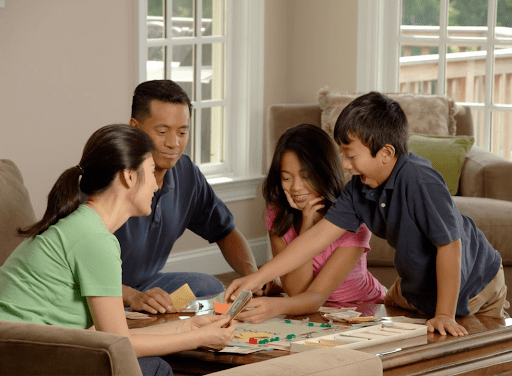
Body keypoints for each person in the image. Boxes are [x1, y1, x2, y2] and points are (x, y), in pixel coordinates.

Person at [225, 92, 509, 337]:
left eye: (351, 155)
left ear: (385, 153)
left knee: (467, 350)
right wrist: (256, 278)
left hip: (473, 282)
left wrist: (445, 314)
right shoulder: (358, 190)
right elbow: (313, 241)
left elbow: (450, 245)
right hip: (417, 287)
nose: (345, 165)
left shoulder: (420, 180)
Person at [0, 124, 236, 376]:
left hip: (25, 351)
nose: (157, 186)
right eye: (152, 171)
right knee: (155, 368)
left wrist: (191, 327)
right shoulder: (94, 239)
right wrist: (199, 338)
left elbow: (106, 334)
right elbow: (118, 343)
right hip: (22, 360)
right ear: (129, 176)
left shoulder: (83, 225)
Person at [116, 79, 265, 315]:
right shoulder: (111, 178)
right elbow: (76, 272)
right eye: (162, 131)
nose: (173, 143)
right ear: (134, 127)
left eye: (182, 132)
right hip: (103, 292)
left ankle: (156, 317)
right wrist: (131, 296)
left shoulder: (185, 173)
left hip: (148, 286)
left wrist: (253, 277)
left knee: (207, 286)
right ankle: (150, 322)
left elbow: (224, 231)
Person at [236, 124, 386, 324]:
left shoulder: (354, 221)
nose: (296, 187)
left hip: (361, 308)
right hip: (311, 311)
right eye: (287, 178)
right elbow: (297, 291)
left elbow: (315, 295)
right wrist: (306, 226)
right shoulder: (278, 216)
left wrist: (275, 305)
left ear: (325, 172)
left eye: (306, 176)